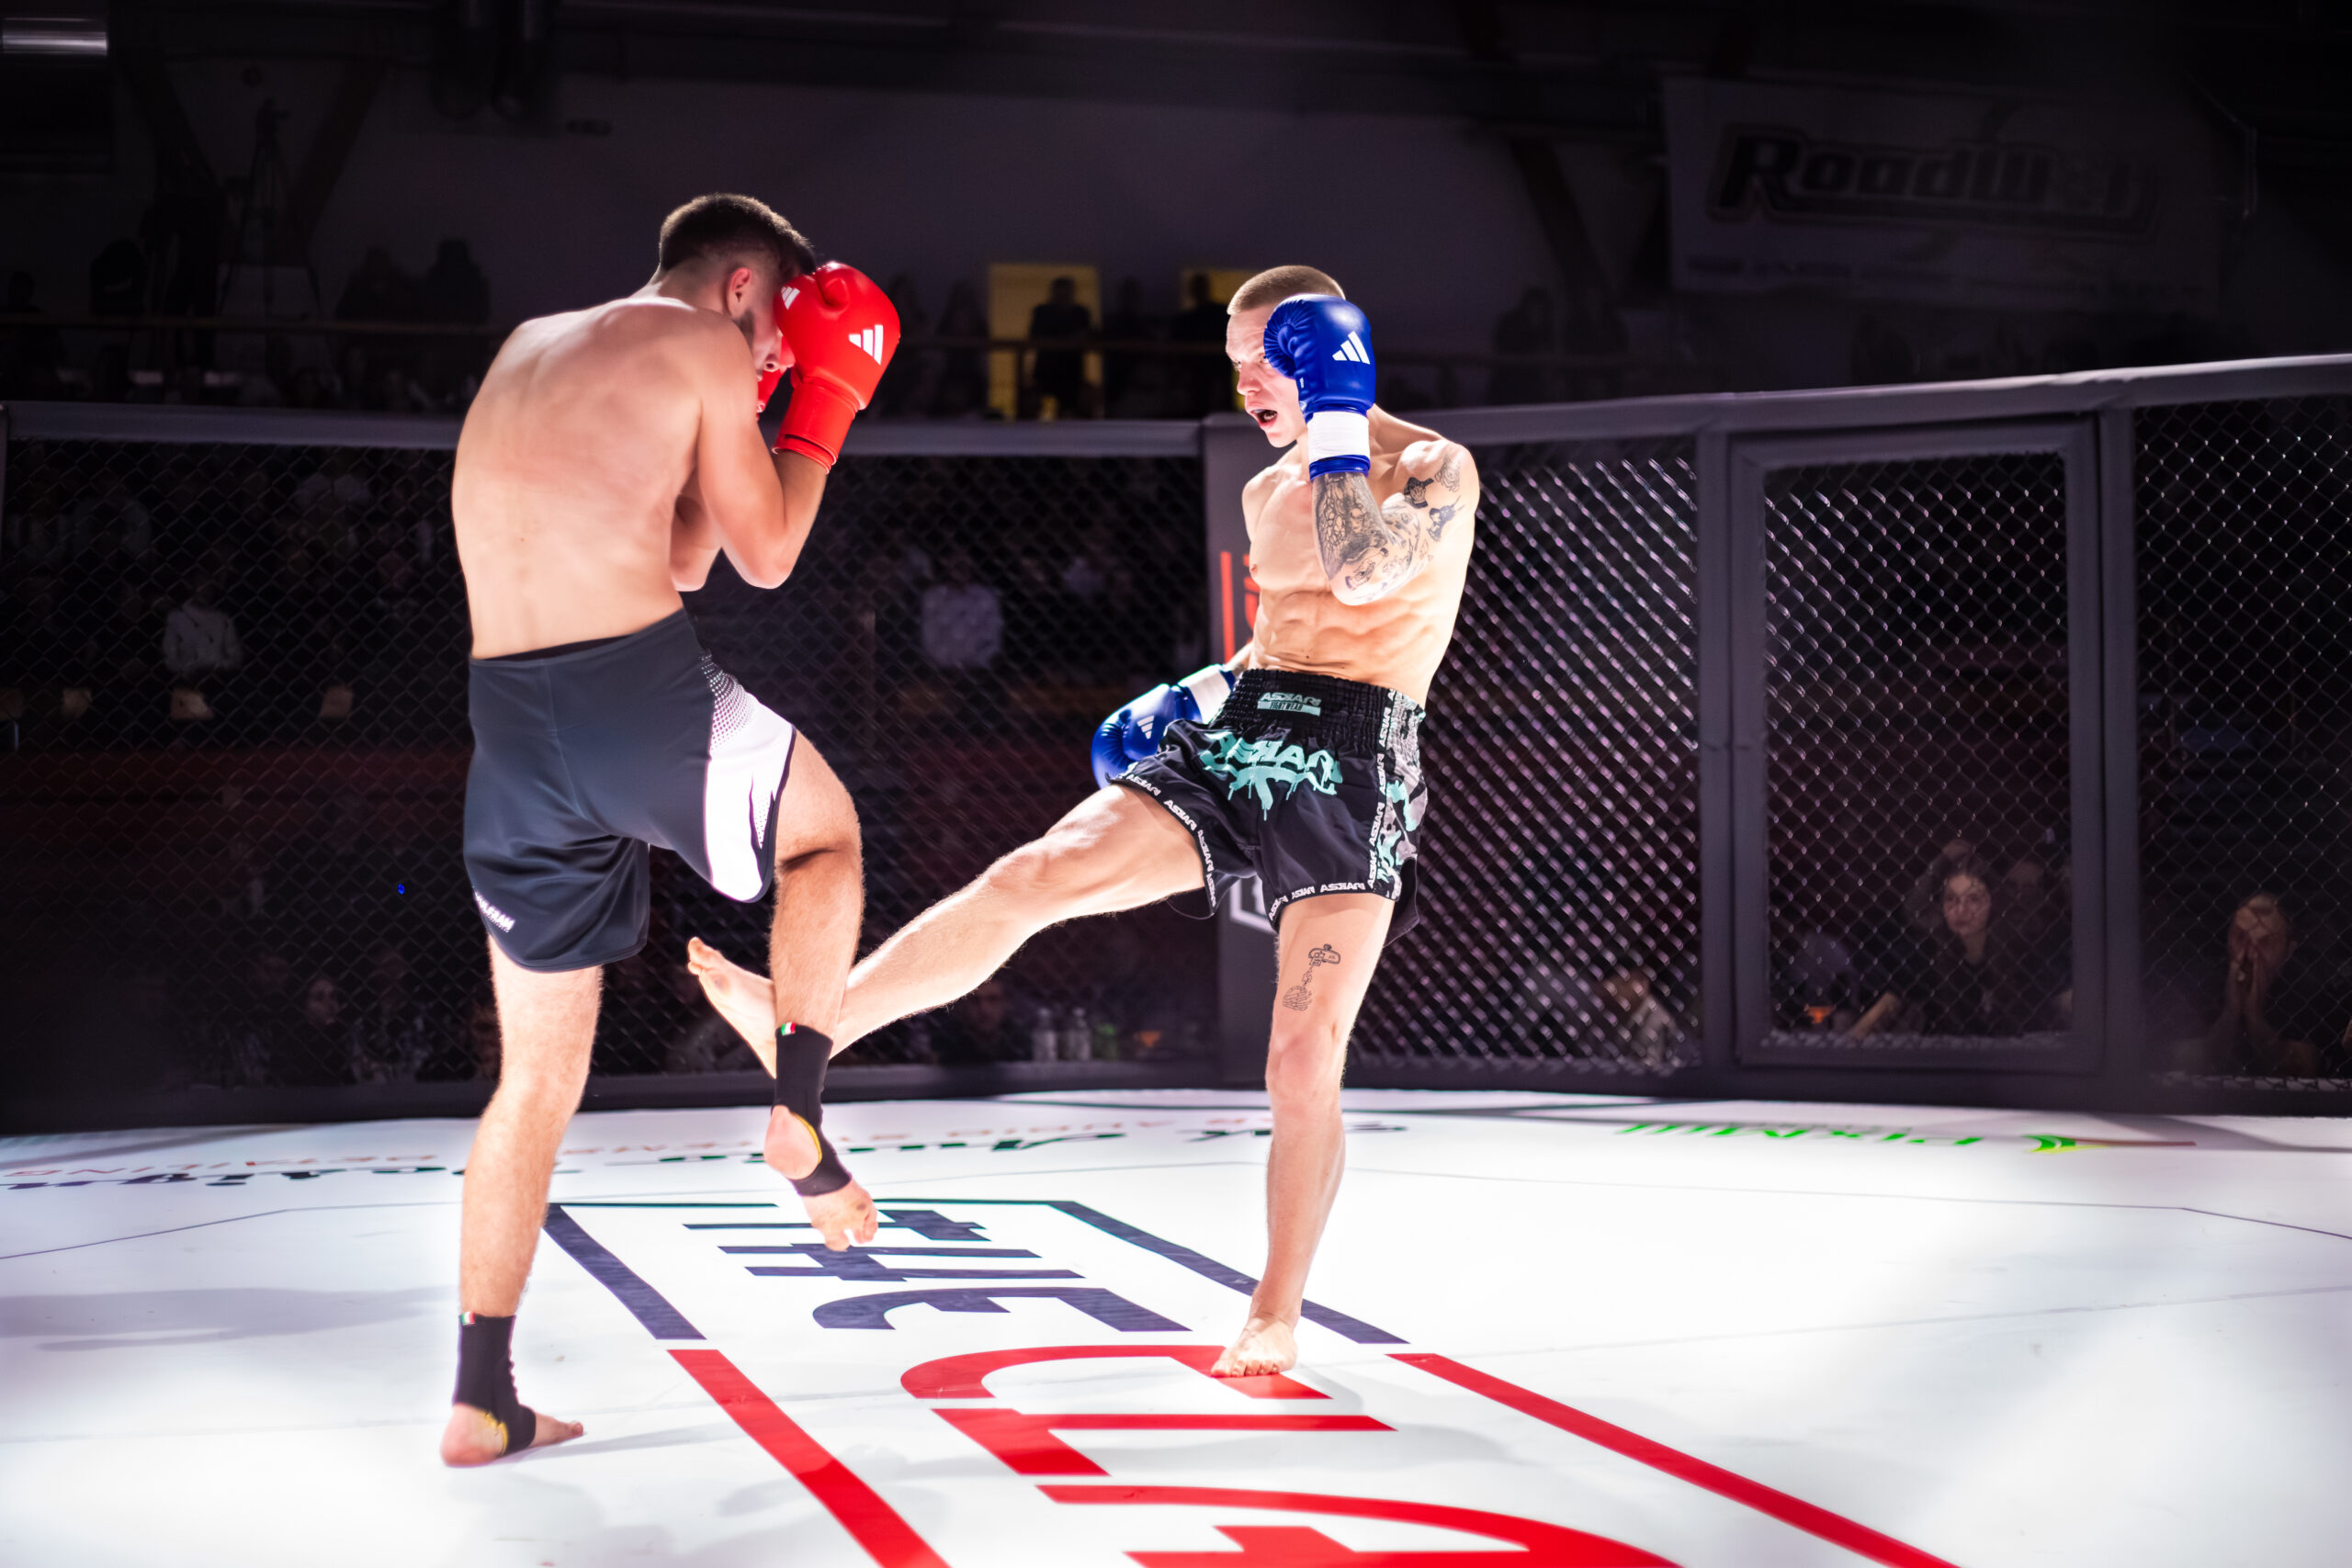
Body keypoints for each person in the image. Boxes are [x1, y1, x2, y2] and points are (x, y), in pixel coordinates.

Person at [690, 265, 1479, 1377]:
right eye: (1235, 366)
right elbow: (1280, 639)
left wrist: (1341, 417)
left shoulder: (1433, 468)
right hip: (1243, 737)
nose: (1248, 386)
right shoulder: (1266, 490)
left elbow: (1357, 579)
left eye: (1267, 360)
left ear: (1326, 351)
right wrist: (1195, 693)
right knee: (1033, 875)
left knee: (1301, 1058)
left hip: (1354, 765)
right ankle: (813, 1027)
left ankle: (1274, 1310)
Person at [440, 193, 899, 1467]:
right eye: (781, 331)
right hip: (627, 695)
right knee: (825, 836)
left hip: (509, 735)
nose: (779, 355)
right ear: (744, 285)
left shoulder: (530, 343)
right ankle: (797, 1110)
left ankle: (480, 1393)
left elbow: (684, 555)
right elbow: (766, 556)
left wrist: (742, 412)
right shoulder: (701, 342)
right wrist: (822, 402)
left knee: (534, 1079)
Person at [1849, 853, 2059, 1038]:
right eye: (1951, 899)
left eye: (1974, 899)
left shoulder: (2019, 952)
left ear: (1993, 902)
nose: (1961, 911)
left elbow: (2061, 1000)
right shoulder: (1928, 952)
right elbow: (1886, 1008)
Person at [1027, 275, 1091, 418]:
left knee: (1068, 409)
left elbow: (1085, 336)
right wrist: (1066, 339)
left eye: (1066, 291)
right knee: (1035, 404)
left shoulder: (1080, 313)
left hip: (1071, 370)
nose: (1063, 295)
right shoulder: (1042, 312)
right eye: (1060, 291)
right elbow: (1034, 336)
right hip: (1046, 369)